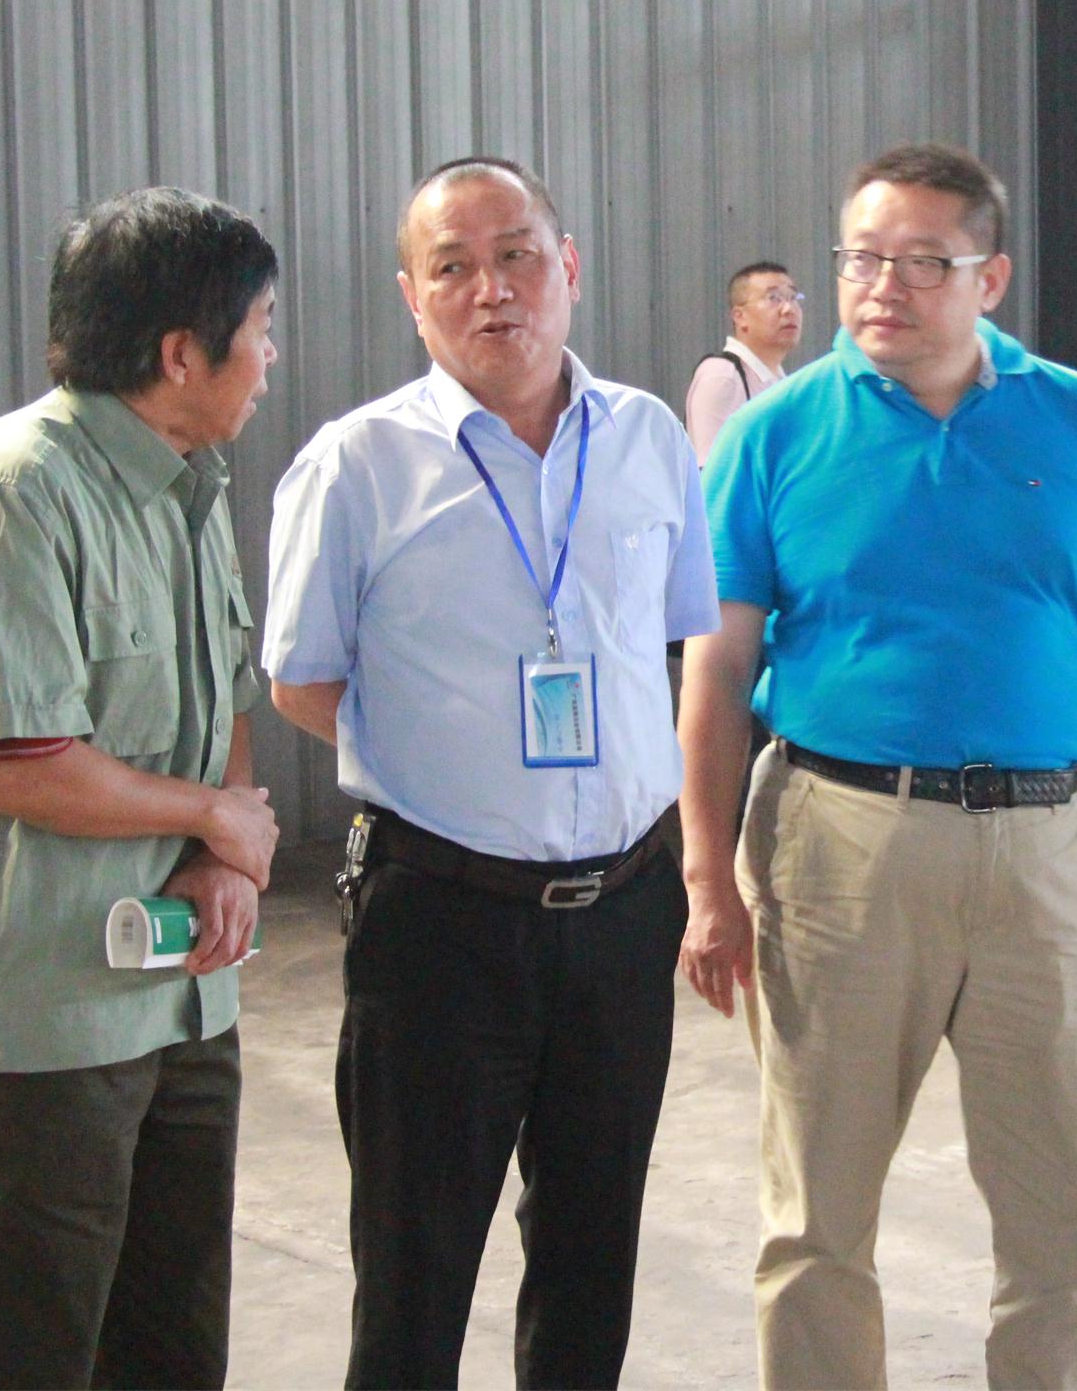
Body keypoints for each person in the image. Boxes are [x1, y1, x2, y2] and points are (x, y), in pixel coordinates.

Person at [678, 142, 1077, 1390]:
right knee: (817, 1215)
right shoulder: (776, 434)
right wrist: (705, 877)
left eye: (921, 263)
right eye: (860, 259)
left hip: (1046, 847)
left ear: (990, 277)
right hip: (837, 846)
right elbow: (718, 668)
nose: (880, 288)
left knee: (1066, 1212)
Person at [264, 157, 719, 1390]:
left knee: (591, 1260)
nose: (491, 289)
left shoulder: (647, 438)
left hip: (623, 913)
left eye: (515, 255)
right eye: (452, 267)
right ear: (412, 297)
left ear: (568, 266)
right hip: (441, 920)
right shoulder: (357, 465)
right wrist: (449, 760)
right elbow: (303, 680)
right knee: (413, 1278)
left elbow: (674, 641)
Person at [0, 187, 281, 1391]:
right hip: (40, 1034)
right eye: (261, 330)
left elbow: (225, 705)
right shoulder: (13, 493)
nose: (270, 360)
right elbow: (17, 765)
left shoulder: (191, 488)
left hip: (182, 1007)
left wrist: (220, 858)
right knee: (20, 1364)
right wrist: (209, 815)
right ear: (181, 354)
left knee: (170, 1359)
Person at [686, 260, 805, 462]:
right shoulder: (723, 376)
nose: (788, 309)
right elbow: (713, 469)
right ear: (739, 316)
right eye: (773, 298)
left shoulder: (784, 382)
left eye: (793, 298)